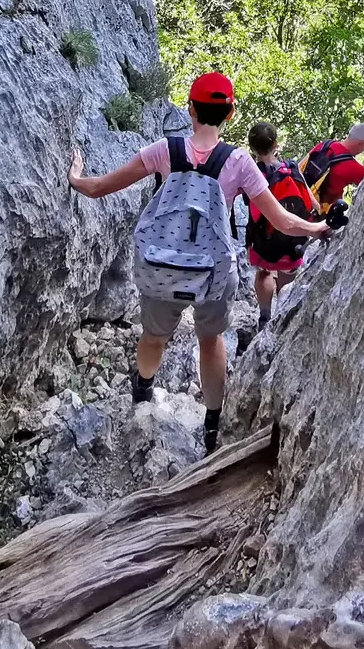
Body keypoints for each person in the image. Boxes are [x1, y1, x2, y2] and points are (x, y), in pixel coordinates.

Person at [67, 72, 330, 453]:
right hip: (213, 272)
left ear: (190, 108)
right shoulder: (239, 162)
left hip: (162, 265)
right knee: (211, 340)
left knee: (154, 335)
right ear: (231, 113)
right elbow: (280, 220)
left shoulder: (163, 150)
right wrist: (318, 227)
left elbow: (99, 188)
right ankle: (212, 422)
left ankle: (143, 388)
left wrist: (76, 177)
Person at [244, 121, 316, 333]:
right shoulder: (292, 168)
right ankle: (283, 315)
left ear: (252, 147)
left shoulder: (252, 173)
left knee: (264, 272)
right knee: (287, 273)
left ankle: (265, 316)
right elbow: (312, 204)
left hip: (262, 239)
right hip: (293, 238)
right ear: (276, 144)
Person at [299, 122, 364, 213]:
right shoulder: (353, 168)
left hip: (299, 195)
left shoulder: (325, 144)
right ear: (359, 144)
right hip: (321, 214)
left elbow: (300, 165)